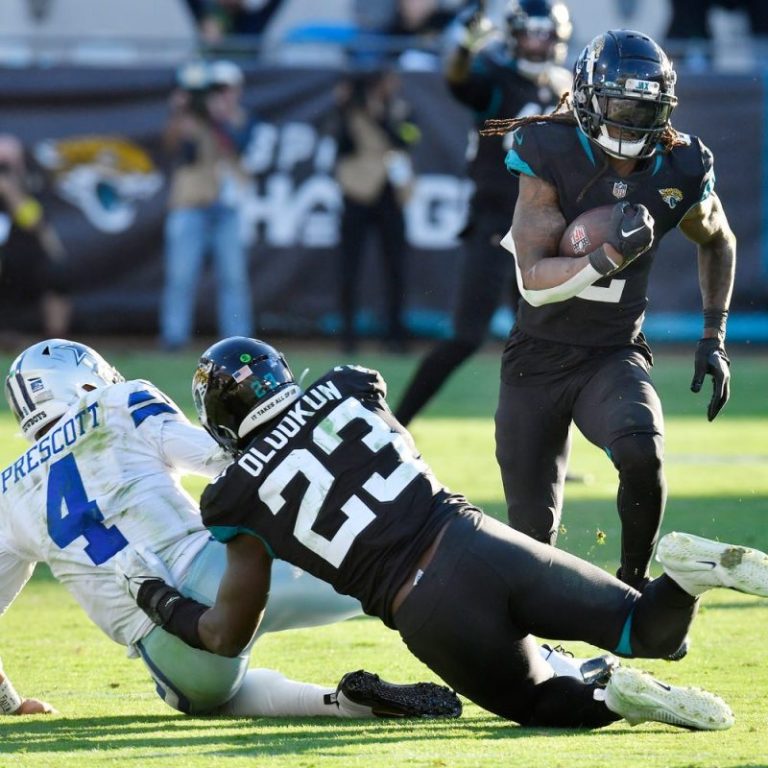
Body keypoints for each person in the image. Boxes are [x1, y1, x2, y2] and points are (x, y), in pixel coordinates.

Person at [120, 335, 768, 730]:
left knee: (543, 704)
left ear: (221, 419)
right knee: (649, 630)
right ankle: (685, 576)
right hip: (477, 539)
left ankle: (615, 699)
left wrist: (155, 599)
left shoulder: (234, 497)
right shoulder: (347, 386)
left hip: (423, 606)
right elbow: (391, 446)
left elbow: (227, 632)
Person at [0, 338, 460, 719]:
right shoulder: (115, 402)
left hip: (167, 654)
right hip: (213, 576)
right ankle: (497, 630)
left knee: (212, 697)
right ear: (84, 380)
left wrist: (9, 704)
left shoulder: (8, 492)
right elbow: (226, 457)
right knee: (392, 573)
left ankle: (337, 704)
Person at [479, 29, 735, 592]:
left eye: (646, 109)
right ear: (589, 99)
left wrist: (713, 334)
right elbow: (534, 283)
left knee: (642, 451)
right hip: (537, 358)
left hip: (613, 353)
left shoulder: (680, 164)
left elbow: (718, 239)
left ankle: (633, 588)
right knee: (531, 537)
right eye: (621, 107)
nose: (632, 123)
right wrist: (609, 254)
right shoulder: (549, 148)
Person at [395, 0, 572, 426]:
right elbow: (459, 82)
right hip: (496, 223)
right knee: (466, 337)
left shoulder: (563, 86)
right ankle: (394, 422)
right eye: (529, 33)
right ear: (513, 35)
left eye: (544, 33)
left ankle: (540, 443)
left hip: (542, 227)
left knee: (543, 339)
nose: (536, 43)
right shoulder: (496, 77)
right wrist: (463, 49)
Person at [159, 59, 254, 352]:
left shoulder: (239, 118)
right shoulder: (189, 118)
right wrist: (180, 111)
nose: (221, 95)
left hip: (227, 208)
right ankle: (174, 338)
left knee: (233, 278)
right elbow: (171, 147)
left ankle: (239, 343)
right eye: (215, 89)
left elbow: (241, 145)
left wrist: (220, 118)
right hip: (191, 204)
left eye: (226, 89)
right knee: (181, 276)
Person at [332, 67, 420, 353]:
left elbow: (408, 139)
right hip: (358, 192)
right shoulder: (350, 113)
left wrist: (382, 118)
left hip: (391, 194)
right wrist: (344, 109)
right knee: (349, 267)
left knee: (396, 267)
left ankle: (395, 333)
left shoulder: (402, 110)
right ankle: (347, 335)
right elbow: (341, 145)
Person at [0, 134, 70, 344]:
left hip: (27, 258)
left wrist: (10, 191)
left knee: (58, 274)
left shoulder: (34, 184)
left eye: (7, 164)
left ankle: (56, 340)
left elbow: (34, 222)